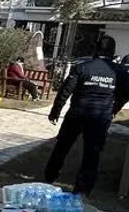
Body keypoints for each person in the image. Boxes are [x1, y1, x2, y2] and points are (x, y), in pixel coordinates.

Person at [44, 35, 124, 194]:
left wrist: (56, 111)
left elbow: (65, 90)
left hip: (77, 113)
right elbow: (126, 94)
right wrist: (114, 109)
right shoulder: (119, 72)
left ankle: (49, 176)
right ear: (113, 52)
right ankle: (83, 186)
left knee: (62, 146)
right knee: (92, 151)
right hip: (100, 117)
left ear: (96, 49)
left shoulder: (82, 67)